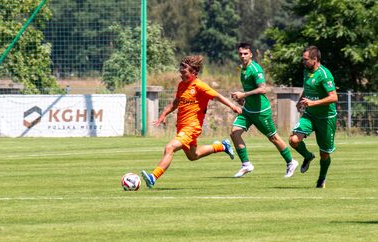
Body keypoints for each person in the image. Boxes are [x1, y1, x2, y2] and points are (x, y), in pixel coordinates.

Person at [141, 55, 242, 189]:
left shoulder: (200, 86)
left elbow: (217, 96)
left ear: (194, 72)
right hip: (182, 127)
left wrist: (233, 106)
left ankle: (153, 177)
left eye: (184, 73)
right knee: (193, 156)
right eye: (180, 72)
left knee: (169, 147)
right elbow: (176, 102)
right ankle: (222, 146)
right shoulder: (182, 85)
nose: (181, 75)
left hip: (192, 127)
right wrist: (163, 114)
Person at [229, 42, 299, 178]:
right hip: (248, 110)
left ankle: (291, 162)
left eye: (245, 54)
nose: (242, 56)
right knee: (234, 133)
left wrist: (244, 94)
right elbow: (250, 90)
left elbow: (263, 89)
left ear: (251, 54)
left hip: (261, 112)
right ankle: (246, 164)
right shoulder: (243, 69)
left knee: (273, 137)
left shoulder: (255, 69)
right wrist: (242, 99)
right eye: (240, 54)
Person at [289, 45, 338, 188]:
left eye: (305, 60)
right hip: (310, 115)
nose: (302, 62)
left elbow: (334, 97)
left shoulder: (325, 74)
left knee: (324, 154)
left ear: (315, 59)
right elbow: (308, 88)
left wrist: (313, 102)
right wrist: (300, 101)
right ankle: (308, 156)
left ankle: (322, 178)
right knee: (293, 140)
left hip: (326, 118)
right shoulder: (306, 71)